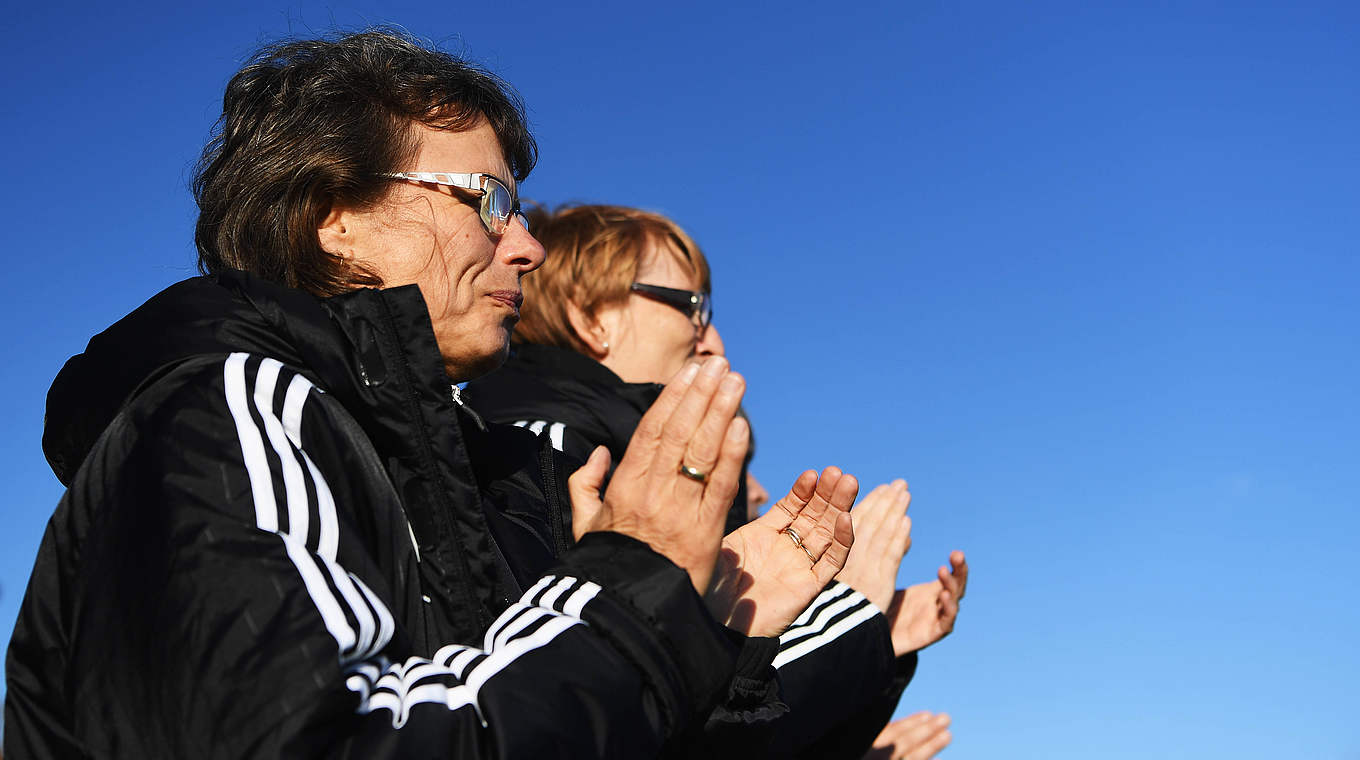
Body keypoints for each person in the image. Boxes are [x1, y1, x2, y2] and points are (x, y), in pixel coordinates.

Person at [5, 31, 855, 759]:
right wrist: (622, 596)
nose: (526, 247)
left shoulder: (479, 470)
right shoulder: (227, 418)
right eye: (490, 202)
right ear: (333, 215)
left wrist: (713, 632)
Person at [464, 204, 969, 757]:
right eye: (693, 308)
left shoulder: (609, 464)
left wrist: (874, 645)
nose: (714, 341)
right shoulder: (545, 460)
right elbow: (599, 719)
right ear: (593, 320)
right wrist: (849, 620)